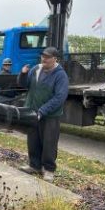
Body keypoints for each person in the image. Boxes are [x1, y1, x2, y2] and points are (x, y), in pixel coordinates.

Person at [17, 47, 69, 182]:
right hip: (32, 112)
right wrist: (23, 74)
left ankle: (49, 170)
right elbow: (24, 85)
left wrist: (42, 111)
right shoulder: (36, 69)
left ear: (55, 59)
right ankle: (34, 166)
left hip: (50, 116)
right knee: (33, 141)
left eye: (47, 57)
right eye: (43, 56)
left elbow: (59, 97)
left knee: (49, 143)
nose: (44, 59)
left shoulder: (60, 75)